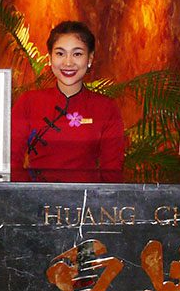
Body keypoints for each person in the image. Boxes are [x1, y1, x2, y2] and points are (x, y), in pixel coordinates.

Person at [10, 21, 125, 182]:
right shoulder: (28, 102)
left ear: (90, 59)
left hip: (87, 196)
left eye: (77, 54)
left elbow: (112, 172)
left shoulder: (106, 108)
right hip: (35, 195)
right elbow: (11, 163)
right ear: (50, 58)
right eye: (60, 53)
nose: (68, 62)